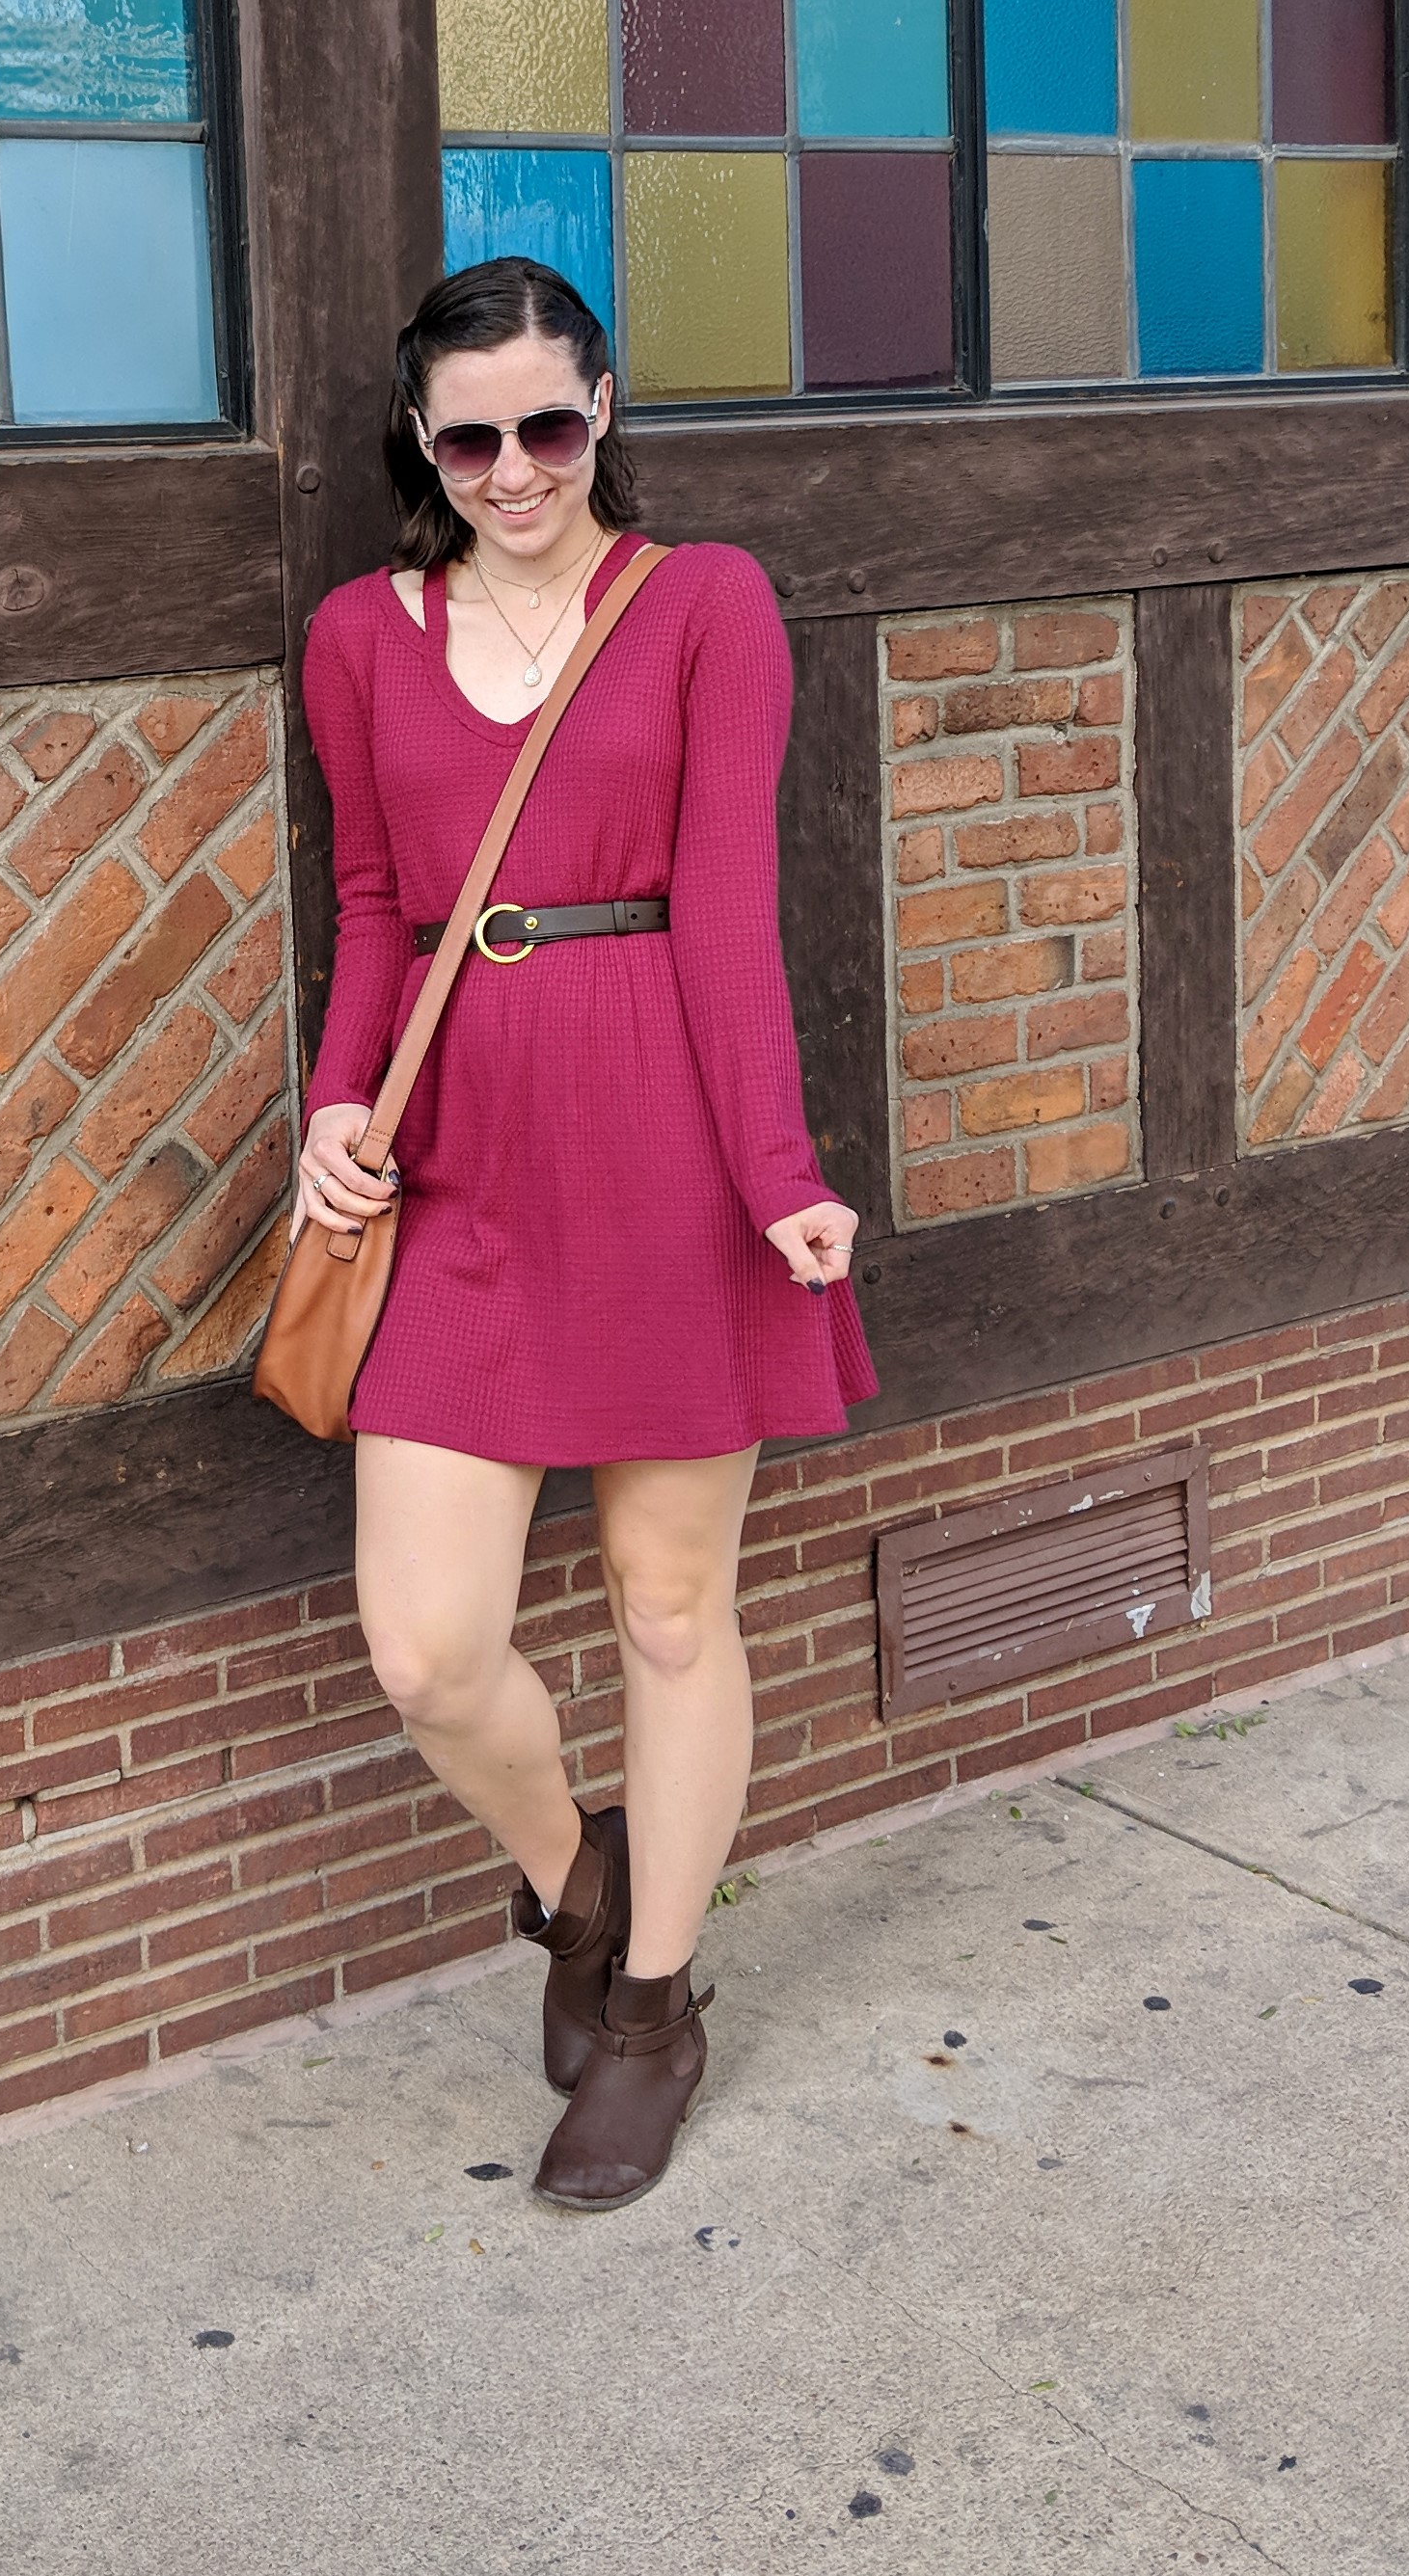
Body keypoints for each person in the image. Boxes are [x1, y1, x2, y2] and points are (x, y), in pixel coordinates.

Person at [293, 255, 875, 2213]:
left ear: (602, 408)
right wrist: (338, 1113)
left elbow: (724, 908)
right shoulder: (361, 637)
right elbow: (376, 909)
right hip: (458, 1164)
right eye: (471, 439)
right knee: (426, 1648)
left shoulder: (703, 604)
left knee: (666, 1605)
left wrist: (777, 1173)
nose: (516, 468)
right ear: (422, 442)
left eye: (548, 423)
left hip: (663, 1149)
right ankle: (577, 1881)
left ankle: (647, 2010)